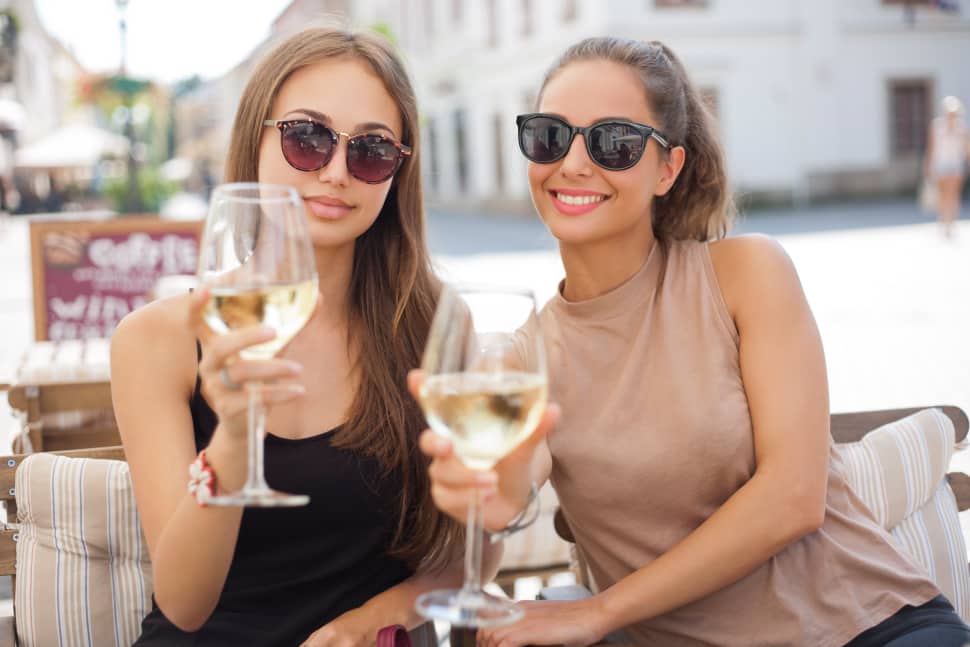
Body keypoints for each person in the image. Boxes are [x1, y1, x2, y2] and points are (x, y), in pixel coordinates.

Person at [418, 37, 970, 646]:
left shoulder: (746, 274)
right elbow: (515, 479)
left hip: (874, 627)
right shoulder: (526, 359)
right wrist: (495, 501)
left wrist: (598, 613)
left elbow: (794, 497)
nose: (573, 164)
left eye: (615, 142)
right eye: (551, 135)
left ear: (668, 168)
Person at [111, 26, 496, 647]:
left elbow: (473, 548)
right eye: (307, 137)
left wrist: (360, 626)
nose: (337, 172)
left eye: (370, 150)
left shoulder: (433, 326)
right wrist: (235, 436)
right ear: (254, 139)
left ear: (398, 171)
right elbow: (184, 603)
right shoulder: (157, 340)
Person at [924, 95, 970, 238]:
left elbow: (966, 149)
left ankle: (951, 222)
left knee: (954, 195)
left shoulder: (961, 128)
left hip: (955, 165)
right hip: (941, 164)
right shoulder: (937, 126)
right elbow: (931, 148)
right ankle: (943, 221)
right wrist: (928, 166)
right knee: (942, 196)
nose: (951, 115)